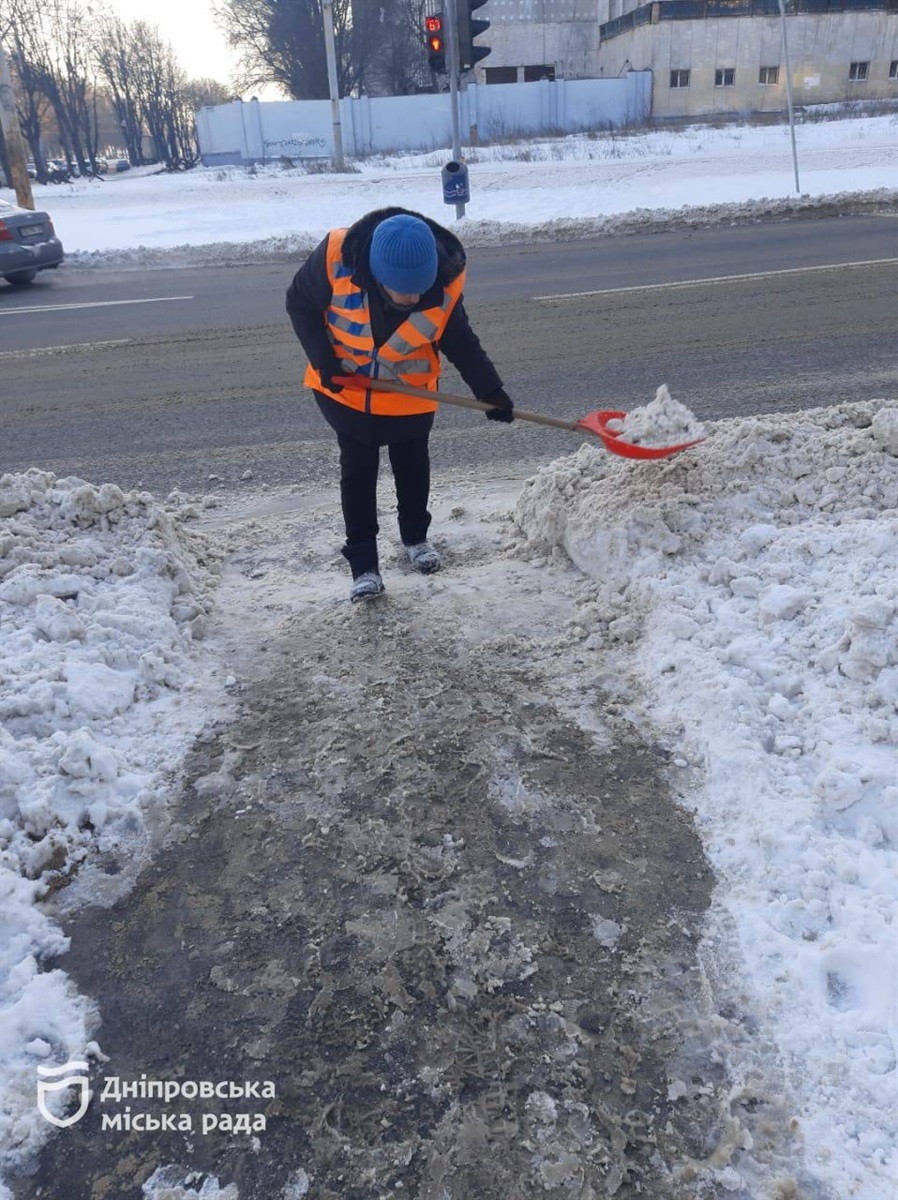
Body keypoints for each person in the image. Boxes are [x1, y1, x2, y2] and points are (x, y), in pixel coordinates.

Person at [286, 206, 514, 602]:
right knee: (358, 472)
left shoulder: (441, 282)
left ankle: (415, 538)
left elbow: (458, 339)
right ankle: (364, 565)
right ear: (376, 275)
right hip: (347, 392)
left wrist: (490, 392)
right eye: (402, 291)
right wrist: (323, 361)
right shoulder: (336, 257)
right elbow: (299, 303)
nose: (413, 298)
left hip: (412, 396)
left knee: (412, 466)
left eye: (419, 289)